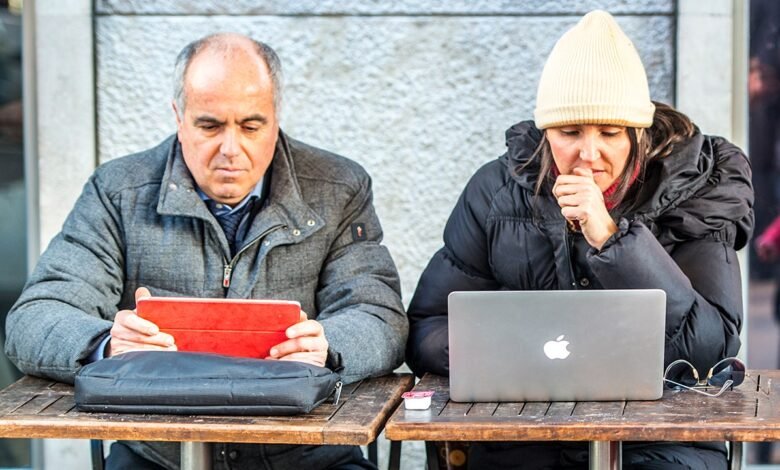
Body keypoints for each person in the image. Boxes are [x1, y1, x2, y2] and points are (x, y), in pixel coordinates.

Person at [4, 33, 408, 470]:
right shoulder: (118, 191)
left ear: (276, 118)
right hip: (158, 455)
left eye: (251, 126)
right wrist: (106, 344)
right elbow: (35, 317)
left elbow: (380, 316)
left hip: (308, 458)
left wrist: (328, 347)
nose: (231, 150)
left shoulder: (338, 188)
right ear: (179, 118)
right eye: (210, 126)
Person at [406, 10, 753, 470]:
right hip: (521, 431)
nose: (589, 154)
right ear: (546, 131)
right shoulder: (497, 190)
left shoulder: (696, 189)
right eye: (569, 133)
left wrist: (610, 239)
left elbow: (711, 348)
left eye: (610, 133)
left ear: (637, 133)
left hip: (658, 435)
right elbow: (427, 326)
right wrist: (509, 352)